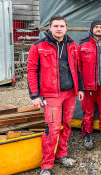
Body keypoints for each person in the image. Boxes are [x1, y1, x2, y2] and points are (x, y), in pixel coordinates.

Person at [27, 15, 84, 175]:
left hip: (70, 93)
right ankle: (46, 165)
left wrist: (80, 88)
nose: (59, 29)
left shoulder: (72, 45)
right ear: (50, 28)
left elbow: (77, 67)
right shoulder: (38, 46)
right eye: (56, 26)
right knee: (52, 129)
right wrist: (34, 95)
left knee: (66, 125)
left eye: (62, 26)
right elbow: (31, 71)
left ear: (66, 28)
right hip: (51, 94)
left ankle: (62, 154)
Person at [78, 20, 101, 150]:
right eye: (96, 27)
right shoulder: (83, 44)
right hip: (88, 87)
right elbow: (78, 66)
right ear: (92, 29)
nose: (98, 29)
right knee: (88, 113)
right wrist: (80, 86)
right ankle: (87, 134)